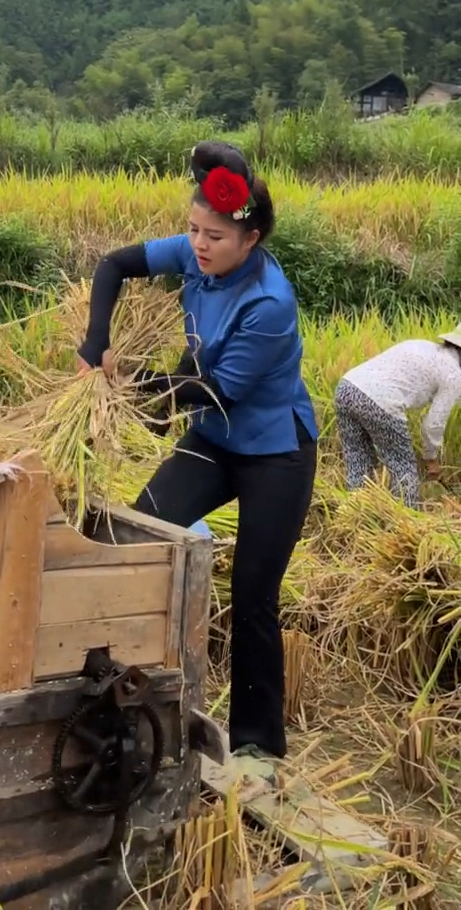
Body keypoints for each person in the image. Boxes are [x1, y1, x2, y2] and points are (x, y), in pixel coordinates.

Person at [77, 141, 317, 763]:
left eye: (214, 236)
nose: (199, 245)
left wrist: (131, 384)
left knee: (253, 595)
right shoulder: (194, 253)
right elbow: (113, 265)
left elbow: (216, 390)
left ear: (250, 238)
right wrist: (96, 342)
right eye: (193, 230)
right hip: (214, 439)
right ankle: (121, 688)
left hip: (274, 453)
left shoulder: (269, 302)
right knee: (140, 531)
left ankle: (258, 748)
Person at [335, 324, 461, 508]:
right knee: (403, 467)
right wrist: (431, 457)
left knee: (358, 458)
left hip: (346, 388)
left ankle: (352, 514)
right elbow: (433, 425)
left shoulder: (423, 345)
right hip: (379, 401)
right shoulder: (453, 374)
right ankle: (405, 519)